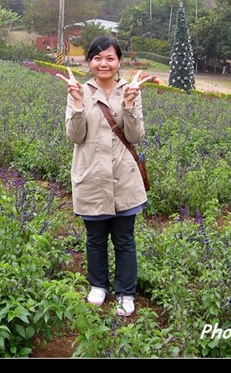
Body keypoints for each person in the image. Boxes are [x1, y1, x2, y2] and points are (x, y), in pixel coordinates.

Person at [56, 35, 153, 317]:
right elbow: (75, 136)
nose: (104, 63)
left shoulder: (130, 91)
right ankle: (98, 285)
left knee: (124, 239)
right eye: (97, 58)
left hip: (123, 177)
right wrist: (76, 104)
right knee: (95, 238)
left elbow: (136, 136)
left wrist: (131, 105)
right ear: (90, 62)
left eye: (110, 58)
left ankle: (125, 292)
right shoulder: (79, 91)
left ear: (119, 62)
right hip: (91, 177)